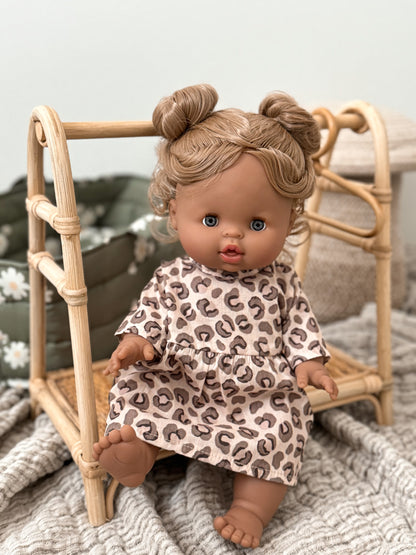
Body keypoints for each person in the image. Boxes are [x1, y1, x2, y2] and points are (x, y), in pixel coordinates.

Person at [93, 84, 338, 549]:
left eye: (257, 224)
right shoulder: (173, 275)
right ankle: (137, 451)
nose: (232, 237)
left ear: (289, 221)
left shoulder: (281, 281)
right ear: (174, 211)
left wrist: (309, 362)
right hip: (182, 379)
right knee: (137, 389)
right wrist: (138, 343)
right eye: (211, 220)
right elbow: (151, 314)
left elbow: (299, 326)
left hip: (256, 394)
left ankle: (250, 508)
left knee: (285, 425)